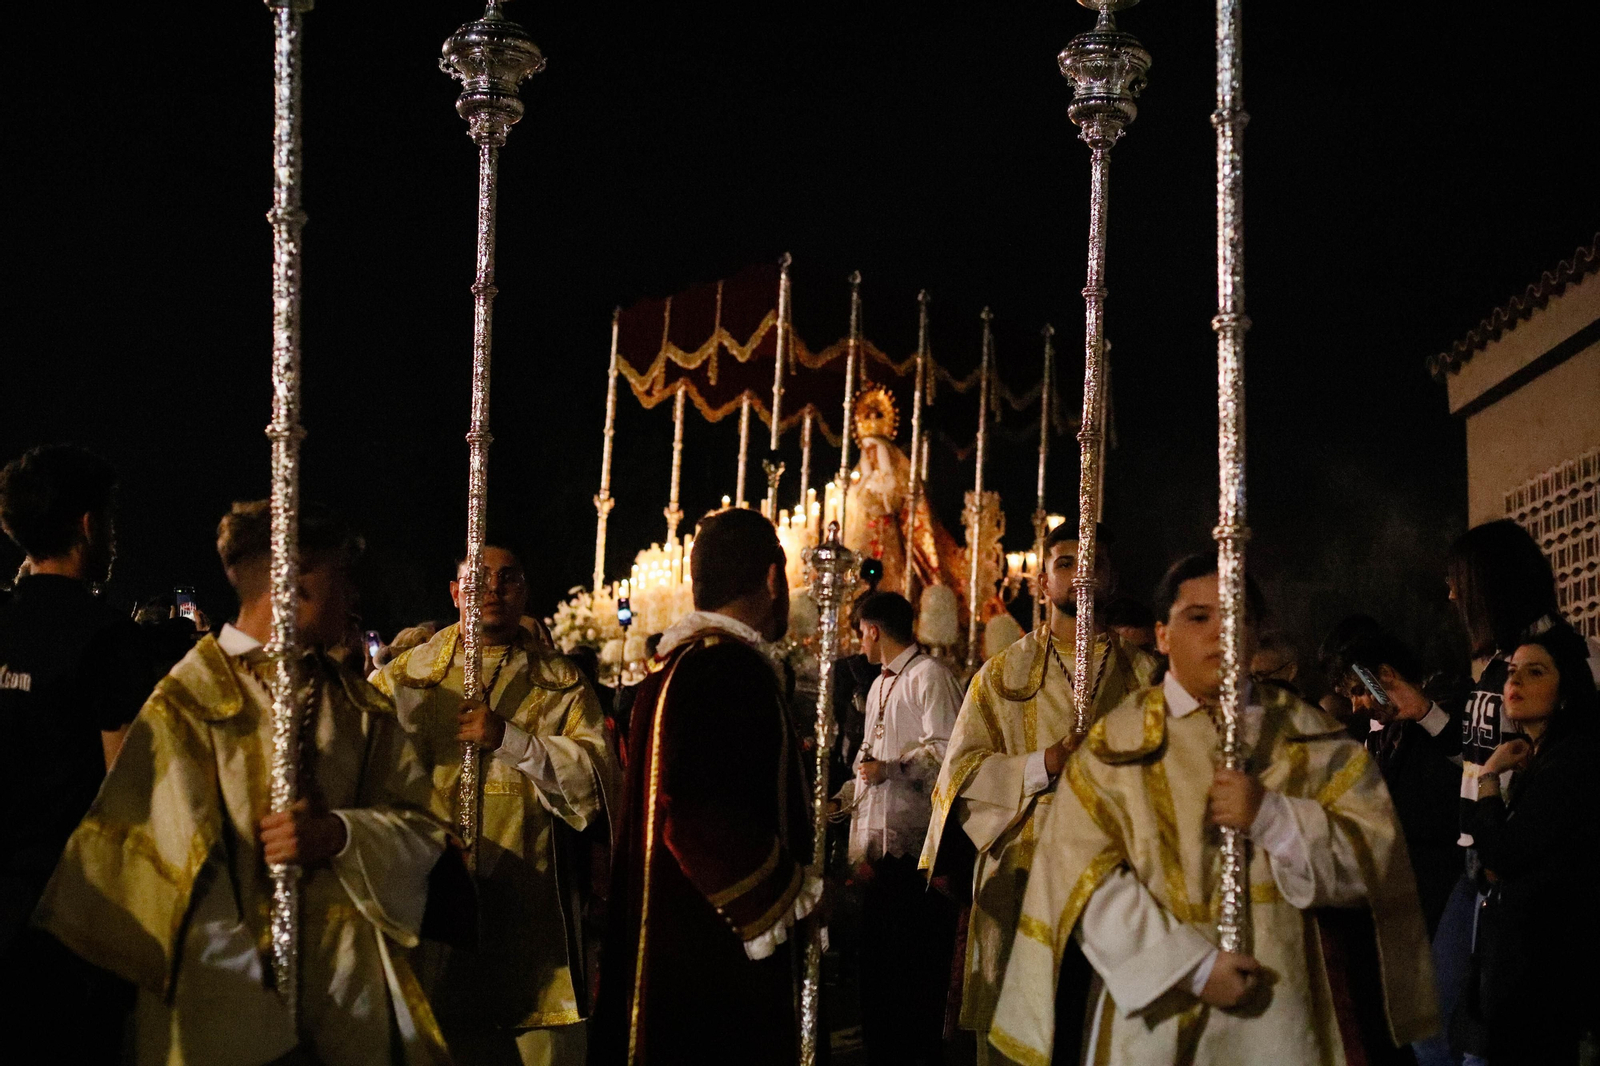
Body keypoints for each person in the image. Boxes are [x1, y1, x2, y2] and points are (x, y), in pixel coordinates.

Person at [34, 501, 450, 1065]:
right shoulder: (188, 704)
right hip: (226, 1017)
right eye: (341, 575)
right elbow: (170, 888)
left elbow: (423, 831)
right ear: (294, 581)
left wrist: (340, 836)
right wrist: (254, 1030)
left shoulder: (361, 710)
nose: (355, 594)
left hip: (348, 997)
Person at [989, 552, 1437, 1066]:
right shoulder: (1114, 746)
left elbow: (1373, 861)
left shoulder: (1314, 740)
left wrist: (1271, 817)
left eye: (1236, 616)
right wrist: (1193, 969)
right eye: (1198, 617)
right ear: (1162, 635)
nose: (1219, 632)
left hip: (1282, 1012)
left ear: (1256, 633)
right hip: (1154, 1008)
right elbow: (1081, 880)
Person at [371, 542, 618, 1066]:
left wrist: (511, 738)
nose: (493, 590)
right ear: (457, 591)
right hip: (429, 911)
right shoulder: (405, 680)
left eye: (508, 579)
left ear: (524, 591)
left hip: (531, 920)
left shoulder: (561, 685)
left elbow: (597, 785)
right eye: (479, 579)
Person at [918, 522, 1157, 1062]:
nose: (1080, 575)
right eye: (1066, 563)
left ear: (1110, 577)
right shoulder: (1000, 677)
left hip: (1120, 891)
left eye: (1091, 562)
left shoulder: (1147, 678)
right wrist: (1042, 763)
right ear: (1042, 580)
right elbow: (956, 781)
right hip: (1021, 886)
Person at [593, 508, 816, 1065]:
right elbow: (695, 815)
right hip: (710, 954)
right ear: (772, 579)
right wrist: (793, 894)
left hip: (672, 937)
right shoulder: (728, 671)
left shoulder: (675, 669)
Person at [0, 445, 153, 1059]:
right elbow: (125, 785)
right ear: (89, 525)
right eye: (109, 519)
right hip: (69, 924)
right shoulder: (109, 638)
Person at [1453, 625, 1600, 1065]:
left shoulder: (1574, 759)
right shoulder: (1542, 755)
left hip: (1550, 969)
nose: (1513, 683)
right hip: (1532, 963)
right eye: (1512, 672)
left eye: (1534, 673)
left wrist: (1489, 778)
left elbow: (1503, 852)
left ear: (1567, 689)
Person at [829, 591, 962, 1065]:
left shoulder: (931, 677)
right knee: (878, 976)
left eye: (860, 632)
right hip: (876, 852)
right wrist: (842, 800)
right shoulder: (882, 685)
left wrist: (894, 768)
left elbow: (950, 751)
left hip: (914, 853)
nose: (859, 642)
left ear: (873, 629)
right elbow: (868, 758)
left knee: (912, 976)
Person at [1328, 625, 1464, 936]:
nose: (1356, 705)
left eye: (1360, 690)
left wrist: (1427, 715)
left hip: (1449, 887)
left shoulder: (1450, 702)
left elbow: (1475, 764)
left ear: (1385, 675)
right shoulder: (1380, 735)